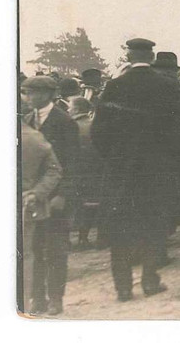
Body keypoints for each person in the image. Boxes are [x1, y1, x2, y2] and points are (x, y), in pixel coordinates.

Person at [92, 38, 180, 302]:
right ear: (151, 58)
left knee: (121, 225)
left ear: (129, 57)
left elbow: (98, 131)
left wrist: (114, 157)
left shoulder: (114, 86)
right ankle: (150, 280)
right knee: (153, 221)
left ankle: (123, 288)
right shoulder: (166, 86)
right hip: (157, 168)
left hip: (121, 169)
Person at [21, 75, 79, 316]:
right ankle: (37, 298)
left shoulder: (65, 122)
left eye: (32, 93)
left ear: (47, 94)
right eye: (26, 93)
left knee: (55, 249)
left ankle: (55, 298)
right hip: (32, 199)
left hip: (55, 198)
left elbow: (73, 164)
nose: (28, 97)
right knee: (33, 249)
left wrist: (63, 196)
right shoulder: (26, 120)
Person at [20, 118, 63, 316]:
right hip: (25, 203)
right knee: (24, 256)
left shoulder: (31, 137)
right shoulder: (33, 136)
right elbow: (54, 171)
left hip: (23, 204)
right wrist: (37, 193)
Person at [67, 97, 105, 250]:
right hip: (94, 171)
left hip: (76, 172)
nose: (68, 110)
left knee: (76, 206)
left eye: (70, 107)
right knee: (92, 205)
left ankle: (74, 240)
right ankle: (87, 238)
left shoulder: (70, 127)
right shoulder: (93, 125)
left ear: (76, 110)